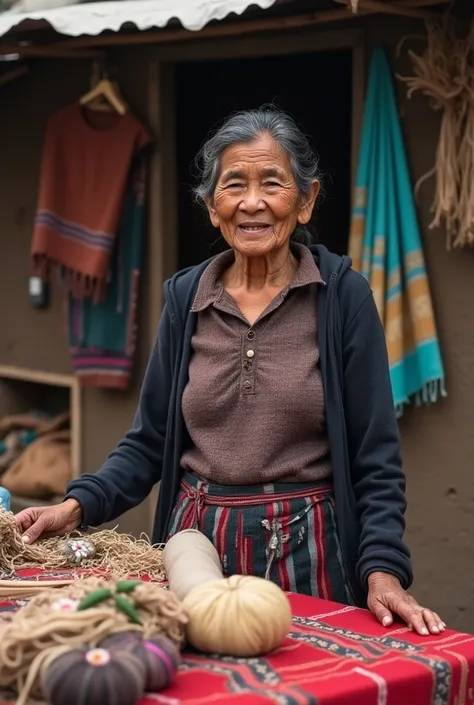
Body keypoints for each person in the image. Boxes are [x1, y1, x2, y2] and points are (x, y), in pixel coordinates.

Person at [16, 107, 444, 636]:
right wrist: (77, 505)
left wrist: (383, 571)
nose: (252, 202)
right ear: (212, 208)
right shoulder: (186, 298)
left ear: (306, 201)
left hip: (308, 548)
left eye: (273, 183)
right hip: (196, 545)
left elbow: (374, 458)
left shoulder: (342, 298)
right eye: (234, 184)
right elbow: (149, 441)